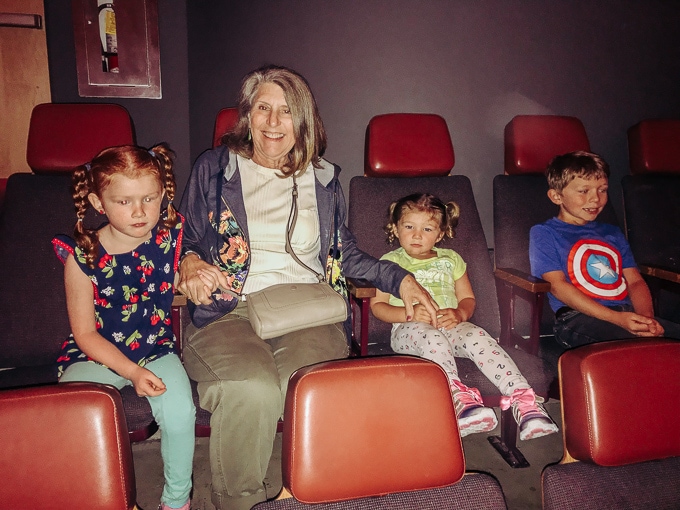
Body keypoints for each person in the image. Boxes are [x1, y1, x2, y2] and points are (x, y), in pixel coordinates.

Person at [177, 64, 438, 510]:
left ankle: (312, 496)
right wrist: (190, 262)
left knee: (312, 385)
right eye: (263, 108)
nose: (274, 122)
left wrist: (403, 278)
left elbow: (345, 254)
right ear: (247, 115)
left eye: (286, 111)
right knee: (250, 388)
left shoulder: (322, 179)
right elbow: (184, 237)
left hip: (306, 308)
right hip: (229, 307)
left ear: (304, 122)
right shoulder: (215, 169)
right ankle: (239, 502)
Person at [53, 144, 195, 510]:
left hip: (154, 348)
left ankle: (177, 501)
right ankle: (108, 500)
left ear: (163, 194)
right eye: (123, 202)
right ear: (99, 203)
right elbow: (84, 333)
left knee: (181, 413)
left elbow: (178, 276)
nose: (139, 212)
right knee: (76, 415)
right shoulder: (82, 256)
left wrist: (194, 278)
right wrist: (131, 372)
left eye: (149, 199)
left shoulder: (169, 238)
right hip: (95, 353)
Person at [370, 192, 558, 440]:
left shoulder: (452, 260)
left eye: (427, 229)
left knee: (478, 335)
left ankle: (525, 403)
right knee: (433, 340)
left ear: (440, 234)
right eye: (409, 226)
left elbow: (468, 299)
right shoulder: (389, 262)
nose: (417, 235)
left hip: (451, 326)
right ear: (395, 228)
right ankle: (460, 400)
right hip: (410, 331)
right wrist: (410, 315)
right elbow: (378, 307)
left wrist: (460, 313)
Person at [530, 150, 680, 348]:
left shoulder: (612, 233)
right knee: (640, 346)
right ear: (556, 196)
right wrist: (617, 319)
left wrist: (645, 320)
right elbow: (558, 286)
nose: (595, 199)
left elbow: (634, 281)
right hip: (577, 319)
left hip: (626, 313)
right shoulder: (544, 233)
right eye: (584, 191)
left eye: (602, 190)